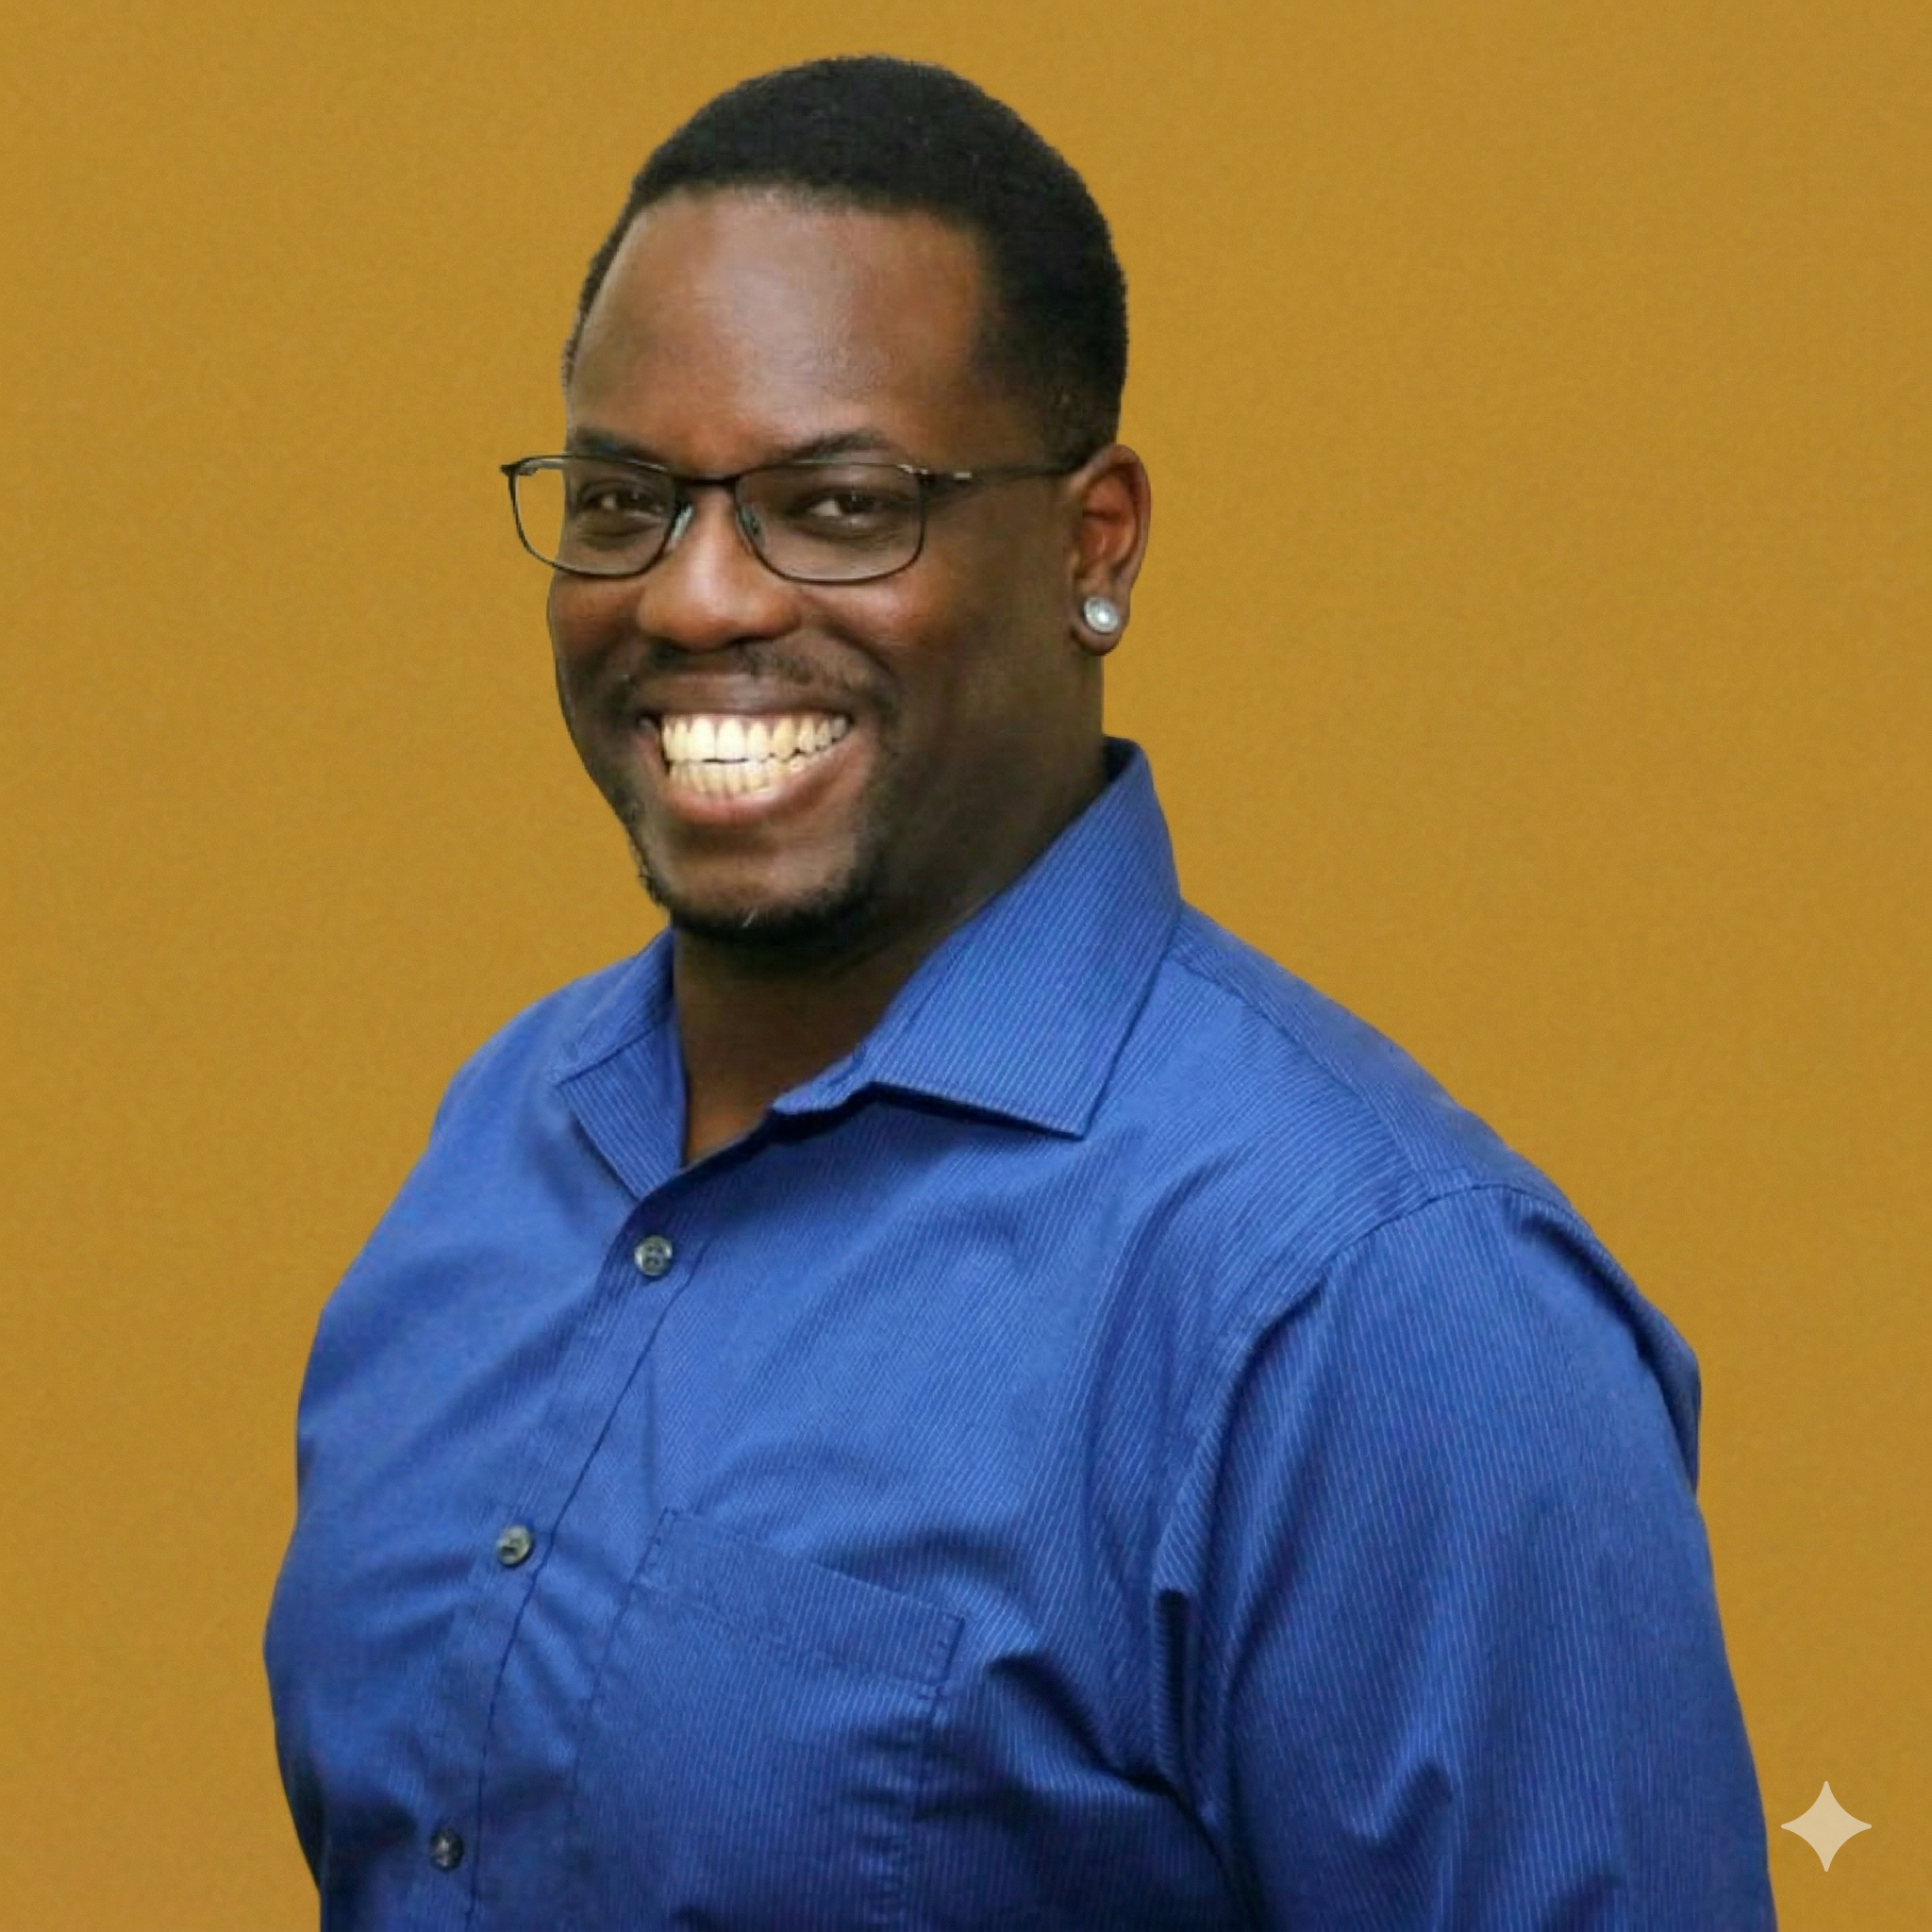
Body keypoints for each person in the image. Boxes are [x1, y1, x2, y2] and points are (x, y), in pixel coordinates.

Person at [264, 56, 1775, 1930]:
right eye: (626, 496)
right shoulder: (502, 1145)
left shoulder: (1377, 1308)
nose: (698, 596)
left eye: (836, 505)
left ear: (1093, 543)